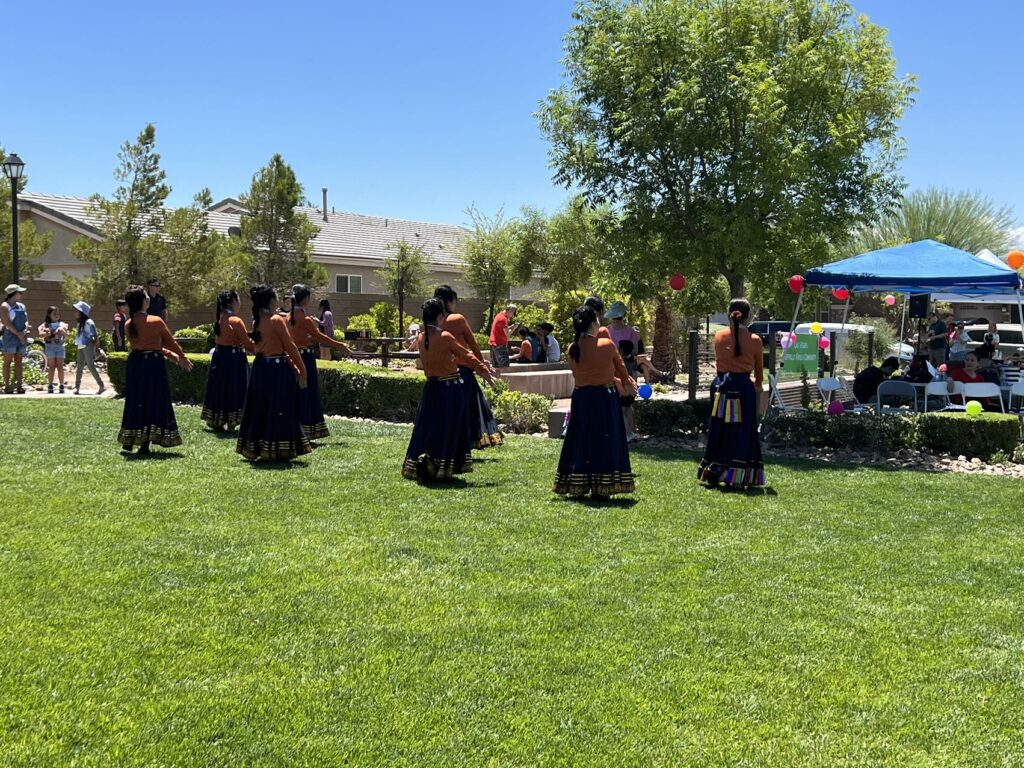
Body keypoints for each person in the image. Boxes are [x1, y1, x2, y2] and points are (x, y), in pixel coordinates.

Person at [402, 298, 494, 482]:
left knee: (428, 427)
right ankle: (442, 467)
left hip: (431, 388)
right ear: (440, 316)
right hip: (449, 389)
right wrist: (483, 369)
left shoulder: (421, 338)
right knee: (448, 427)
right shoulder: (445, 337)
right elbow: (465, 354)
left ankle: (421, 463)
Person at [553, 305, 636, 499]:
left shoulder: (572, 348)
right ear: (592, 324)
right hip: (604, 398)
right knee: (605, 438)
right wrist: (627, 383)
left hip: (581, 398)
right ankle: (603, 486)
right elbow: (621, 369)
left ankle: (577, 484)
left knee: (581, 438)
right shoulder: (607, 344)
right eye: (597, 320)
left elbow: (590, 372)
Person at [236, 285, 310, 462]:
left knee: (260, 408)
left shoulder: (257, 320)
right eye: (276, 298)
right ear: (271, 301)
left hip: (260, 368)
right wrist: (302, 370)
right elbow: (290, 346)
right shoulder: (276, 320)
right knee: (280, 407)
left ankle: (260, 447)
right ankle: (279, 448)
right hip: (276, 369)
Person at [697, 298, 766, 489]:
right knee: (743, 430)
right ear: (748, 316)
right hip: (743, 388)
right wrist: (758, 386)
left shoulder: (719, 336)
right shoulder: (755, 340)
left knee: (720, 429)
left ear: (730, 314)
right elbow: (759, 373)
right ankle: (738, 474)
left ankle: (715, 469)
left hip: (721, 387)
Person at [119, 285, 192, 454]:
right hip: (153, 365)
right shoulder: (156, 321)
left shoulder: (129, 324)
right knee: (153, 401)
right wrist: (181, 356)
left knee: (135, 401)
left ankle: (129, 441)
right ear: (145, 302)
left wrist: (172, 355)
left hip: (136, 363)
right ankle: (144, 444)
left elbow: (146, 345)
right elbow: (169, 342)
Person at [434, 285, 502, 449]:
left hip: (442, 372)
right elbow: (472, 344)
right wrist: (481, 364)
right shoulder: (457, 319)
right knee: (470, 406)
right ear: (450, 301)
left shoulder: (434, 322)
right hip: (463, 370)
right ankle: (474, 438)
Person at [288, 284, 357, 442]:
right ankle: (305, 429)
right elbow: (320, 337)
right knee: (307, 393)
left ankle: (295, 427)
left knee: (295, 393)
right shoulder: (304, 319)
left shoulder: (288, 317)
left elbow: (301, 337)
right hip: (305, 358)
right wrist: (340, 345)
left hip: (292, 357)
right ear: (306, 299)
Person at [201, 289, 255, 431]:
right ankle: (232, 421)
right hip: (234, 359)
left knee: (220, 389)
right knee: (235, 389)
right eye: (238, 300)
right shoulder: (236, 321)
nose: (239, 304)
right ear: (232, 302)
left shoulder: (221, 319)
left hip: (220, 358)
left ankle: (217, 419)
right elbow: (247, 344)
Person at [72, 301, 105, 395]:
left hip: (88, 346)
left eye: (77, 311)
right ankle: (77, 387)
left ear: (82, 312)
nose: (75, 312)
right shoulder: (79, 323)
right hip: (81, 346)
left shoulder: (89, 322)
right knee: (79, 366)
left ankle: (101, 385)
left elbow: (95, 336)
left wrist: (97, 349)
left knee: (90, 366)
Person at [1, 283, 29, 394]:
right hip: (10, 337)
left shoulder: (22, 306)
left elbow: (26, 320)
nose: (21, 294)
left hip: (21, 335)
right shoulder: (4, 306)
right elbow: (7, 323)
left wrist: (24, 331)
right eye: (19, 292)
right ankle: (7, 386)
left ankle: (19, 385)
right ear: (13, 294)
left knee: (19, 361)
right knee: (7, 361)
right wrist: (19, 334)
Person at [38, 306, 69, 394]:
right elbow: (40, 334)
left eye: (58, 314)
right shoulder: (45, 325)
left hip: (60, 347)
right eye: (54, 314)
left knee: (60, 366)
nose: (57, 315)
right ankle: (50, 385)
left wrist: (63, 332)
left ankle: (62, 384)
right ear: (49, 314)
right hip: (50, 347)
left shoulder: (63, 325)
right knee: (51, 366)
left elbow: (68, 336)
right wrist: (52, 332)